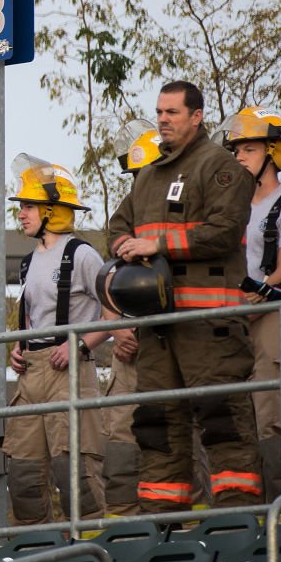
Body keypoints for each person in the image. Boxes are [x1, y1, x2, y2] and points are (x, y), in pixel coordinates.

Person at [108, 81, 261, 512]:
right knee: (157, 424)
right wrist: (123, 246)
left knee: (223, 420)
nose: (162, 120)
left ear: (197, 116)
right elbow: (117, 227)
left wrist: (157, 245)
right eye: (159, 112)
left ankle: (236, 526)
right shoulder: (150, 174)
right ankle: (163, 531)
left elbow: (225, 229)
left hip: (209, 324)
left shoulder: (220, 167)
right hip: (158, 329)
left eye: (172, 112)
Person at [3, 156, 114, 525]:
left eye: (30, 206)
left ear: (53, 210)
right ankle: (36, 553)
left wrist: (80, 344)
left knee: (76, 473)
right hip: (32, 374)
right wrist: (19, 347)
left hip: (68, 374)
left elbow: (114, 316)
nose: (22, 213)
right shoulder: (29, 261)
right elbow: (36, 318)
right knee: (22, 476)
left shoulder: (81, 254)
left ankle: (93, 555)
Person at [223, 106, 281, 496]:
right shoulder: (235, 209)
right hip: (241, 323)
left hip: (278, 321)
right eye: (237, 150)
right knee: (250, 423)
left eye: (249, 149)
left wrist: (254, 292)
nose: (240, 157)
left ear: (274, 153)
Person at [100, 118, 160, 517]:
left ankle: (189, 530)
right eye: (136, 176)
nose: (140, 183)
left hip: (174, 346)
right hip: (130, 355)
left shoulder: (188, 213)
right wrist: (120, 329)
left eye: (146, 173)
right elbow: (110, 279)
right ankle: (122, 531)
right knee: (119, 440)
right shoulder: (128, 219)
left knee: (175, 438)